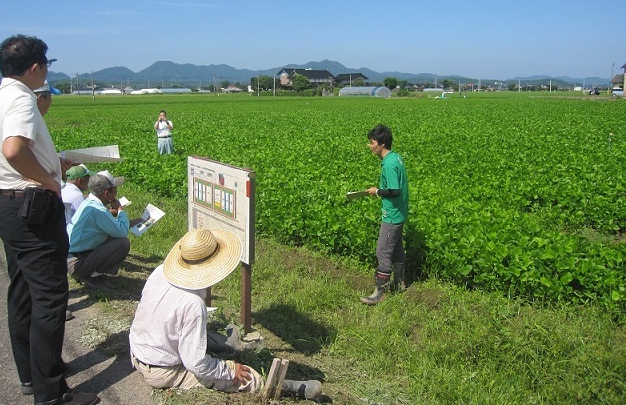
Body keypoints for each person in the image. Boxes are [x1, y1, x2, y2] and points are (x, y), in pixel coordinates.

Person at [0, 35, 99, 405]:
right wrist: (49, 179)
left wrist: (53, 162)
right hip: (31, 208)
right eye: (47, 65)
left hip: (6, 205)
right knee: (49, 299)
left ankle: (31, 377)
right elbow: (14, 150)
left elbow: (10, 154)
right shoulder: (21, 98)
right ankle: (51, 395)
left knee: (21, 292)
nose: (47, 71)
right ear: (35, 68)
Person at [129, 229, 322, 401]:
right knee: (244, 376)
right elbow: (196, 364)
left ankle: (229, 344)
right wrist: (230, 370)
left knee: (197, 336)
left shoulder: (160, 271)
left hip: (137, 351)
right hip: (161, 370)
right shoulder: (193, 304)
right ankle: (285, 387)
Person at [67, 170, 141, 290]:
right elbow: (121, 233)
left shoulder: (90, 203)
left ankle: (89, 272)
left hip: (73, 257)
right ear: (106, 193)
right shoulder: (98, 211)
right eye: (115, 190)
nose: (116, 194)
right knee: (122, 243)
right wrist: (120, 210)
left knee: (113, 236)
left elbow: (113, 227)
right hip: (77, 263)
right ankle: (92, 277)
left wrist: (128, 221)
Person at [361, 124, 409, 305]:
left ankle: (379, 294)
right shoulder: (396, 157)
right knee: (396, 249)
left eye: (372, 142)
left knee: (382, 251)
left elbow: (394, 190)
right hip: (400, 212)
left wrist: (377, 191)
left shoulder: (388, 164)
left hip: (392, 215)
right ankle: (399, 283)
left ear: (381, 144)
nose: (370, 146)